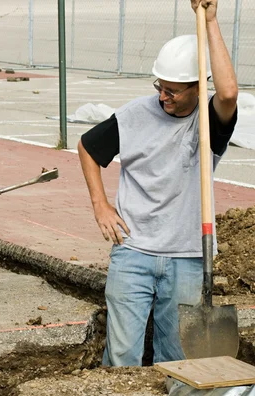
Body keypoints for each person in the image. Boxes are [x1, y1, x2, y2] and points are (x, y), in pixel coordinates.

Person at [78, 0, 238, 366]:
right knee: (122, 356)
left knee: (177, 361)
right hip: (133, 252)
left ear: (198, 86)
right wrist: (100, 205)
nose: (162, 96)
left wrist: (211, 21)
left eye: (173, 90)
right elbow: (87, 146)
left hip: (188, 256)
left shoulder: (209, 124)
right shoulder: (135, 115)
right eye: (160, 86)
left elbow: (228, 93)